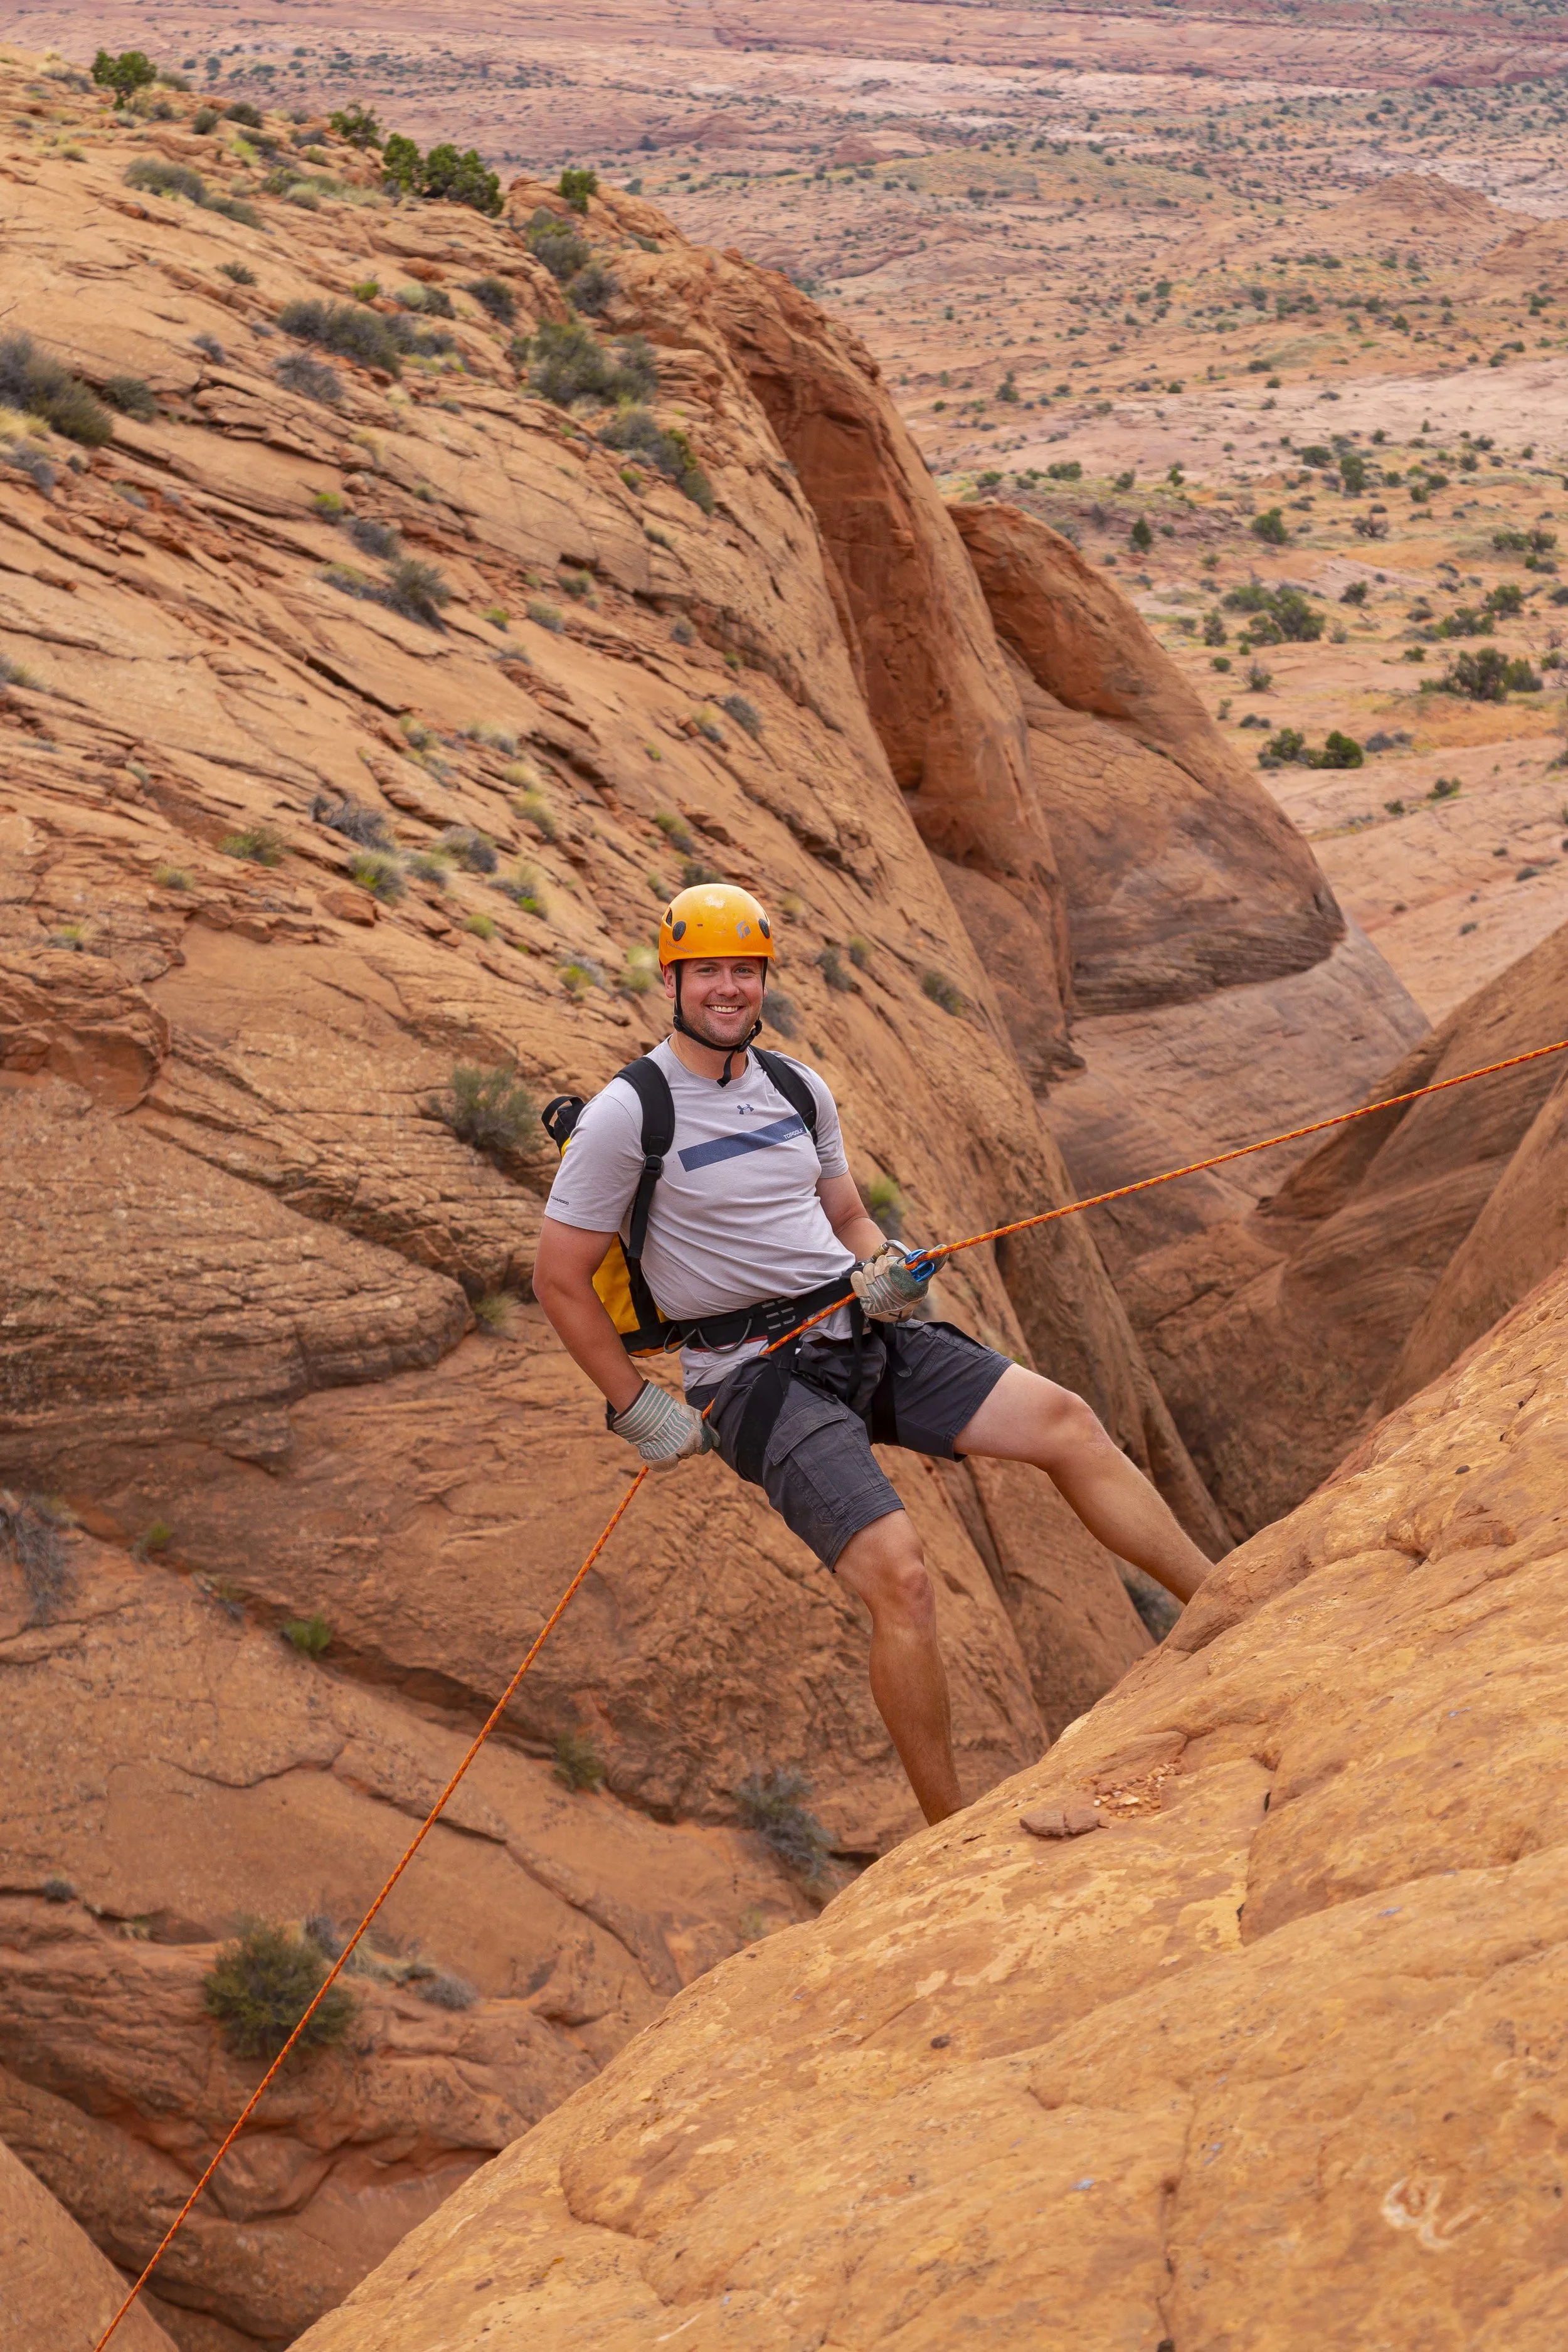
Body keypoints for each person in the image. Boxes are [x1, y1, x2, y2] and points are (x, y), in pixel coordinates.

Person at [533, 883, 1213, 1826]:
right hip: (751, 1375)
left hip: (855, 1325)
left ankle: (1229, 1608)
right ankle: (952, 1830)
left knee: (1067, 1422)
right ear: (673, 979)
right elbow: (559, 1277)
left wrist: (885, 1267)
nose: (727, 988)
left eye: (744, 969)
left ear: (762, 977)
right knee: (903, 1576)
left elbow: (845, 1213)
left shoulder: (797, 1088)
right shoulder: (627, 1114)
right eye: (708, 972)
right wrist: (634, 1404)